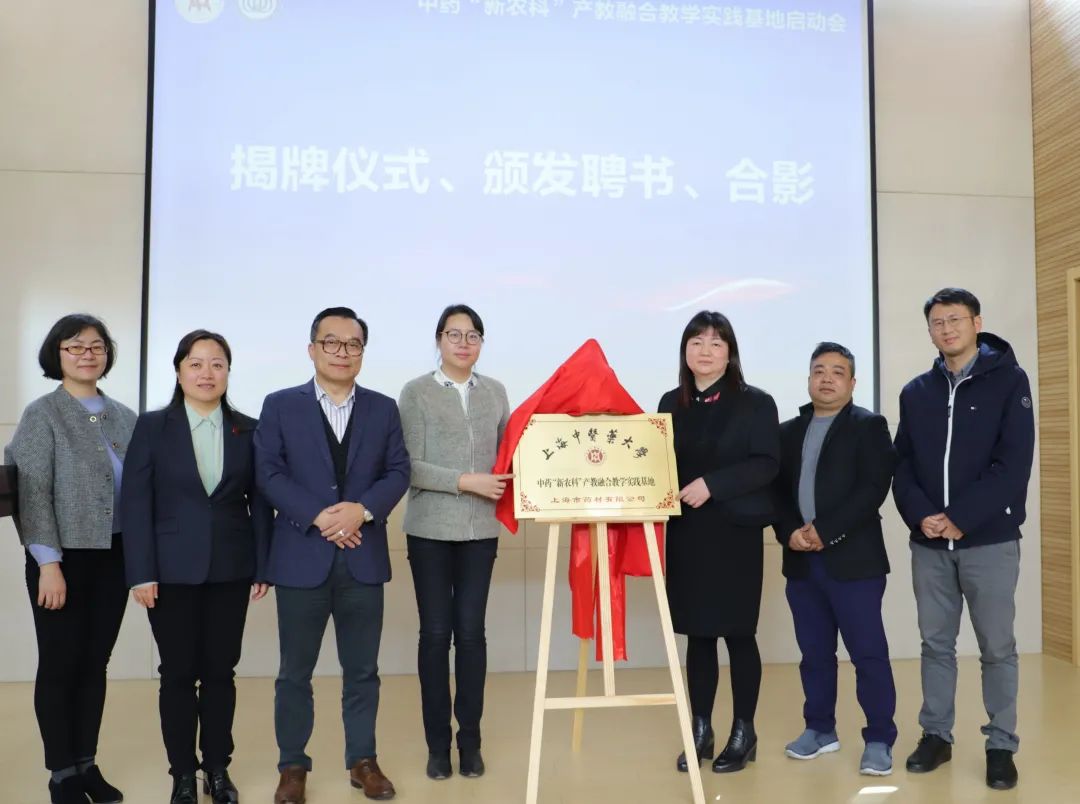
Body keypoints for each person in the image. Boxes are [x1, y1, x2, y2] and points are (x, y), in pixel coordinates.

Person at [255, 307, 410, 803]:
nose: (343, 352)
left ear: (362, 351)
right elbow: (268, 472)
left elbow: (398, 471)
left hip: (363, 558)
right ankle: (292, 767)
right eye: (332, 342)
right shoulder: (281, 405)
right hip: (301, 556)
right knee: (294, 673)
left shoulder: (383, 408)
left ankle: (363, 761)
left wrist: (361, 511)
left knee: (362, 671)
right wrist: (321, 517)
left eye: (353, 344)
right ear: (312, 349)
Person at [121, 330, 272, 804]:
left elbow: (260, 502)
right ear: (179, 370)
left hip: (231, 568)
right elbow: (135, 502)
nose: (207, 373)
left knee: (221, 672)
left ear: (228, 372)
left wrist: (263, 566)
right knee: (178, 674)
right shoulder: (152, 427)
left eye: (217, 364)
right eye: (196, 363)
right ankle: (183, 774)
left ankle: (218, 769)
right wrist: (141, 571)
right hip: (169, 573)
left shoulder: (249, 429)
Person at [893, 288, 1034, 791]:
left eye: (955, 319)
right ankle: (936, 735)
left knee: (997, 647)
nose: (947, 329)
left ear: (976, 323)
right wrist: (922, 516)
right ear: (930, 331)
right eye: (937, 322)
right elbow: (902, 465)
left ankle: (1001, 744)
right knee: (935, 645)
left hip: (989, 542)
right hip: (930, 545)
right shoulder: (916, 392)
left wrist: (960, 518)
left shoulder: (1010, 381)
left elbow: (1012, 464)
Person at [4, 314, 136, 804]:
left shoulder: (125, 416)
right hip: (62, 561)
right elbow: (33, 493)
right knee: (60, 663)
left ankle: (86, 763)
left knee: (95, 663)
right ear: (56, 355)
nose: (87, 354)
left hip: (116, 556)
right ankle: (61, 773)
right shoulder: (43, 414)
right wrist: (48, 563)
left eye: (96, 346)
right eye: (74, 346)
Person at [659, 310, 780, 774]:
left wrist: (712, 484)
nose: (705, 351)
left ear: (730, 353)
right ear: (685, 352)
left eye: (715, 343)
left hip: (735, 535)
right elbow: (657, 463)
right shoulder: (670, 402)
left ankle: (744, 731)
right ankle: (701, 729)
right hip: (688, 534)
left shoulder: (756, 402)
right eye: (696, 342)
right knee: (699, 634)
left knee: (739, 634)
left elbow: (766, 463)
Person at [397, 304, 511, 782]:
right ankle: (437, 746)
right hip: (429, 532)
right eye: (454, 334)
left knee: (471, 635)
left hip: (480, 533)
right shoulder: (416, 392)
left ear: (481, 343)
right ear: (438, 340)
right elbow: (408, 465)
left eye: (472, 335)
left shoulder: (496, 392)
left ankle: (471, 742)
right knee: (435, 635)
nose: (464, 343)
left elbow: (507, 457)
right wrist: (466, 481)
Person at [773, 343, 897, 776]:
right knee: (814, 654)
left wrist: (824, 531)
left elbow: (873, 488)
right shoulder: (787, 432)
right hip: (801, 562)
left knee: (868, 654)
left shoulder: (869, 426)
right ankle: (820, 729)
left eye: (837, 372)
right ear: (809, 378)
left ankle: (879, 737)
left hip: (854, 562)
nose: (827, 379)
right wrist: (789, 531)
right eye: (819, 370)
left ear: (852, 382)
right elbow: (776, 493)